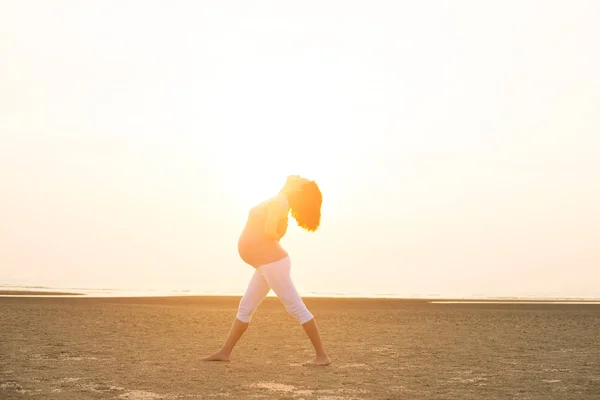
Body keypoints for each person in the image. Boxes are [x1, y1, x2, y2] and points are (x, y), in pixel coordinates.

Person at [201, 175, 331, 366]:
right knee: (245, 307)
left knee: (296, 308)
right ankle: (225, 352)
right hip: (265, 263)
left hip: (272, 263)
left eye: (299, 179)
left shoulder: (279, 201)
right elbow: (275, 234)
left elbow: (270, 233)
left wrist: (276, 231)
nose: (295, 176)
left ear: (297, 190)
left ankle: (322, 356)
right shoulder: (278, 200)